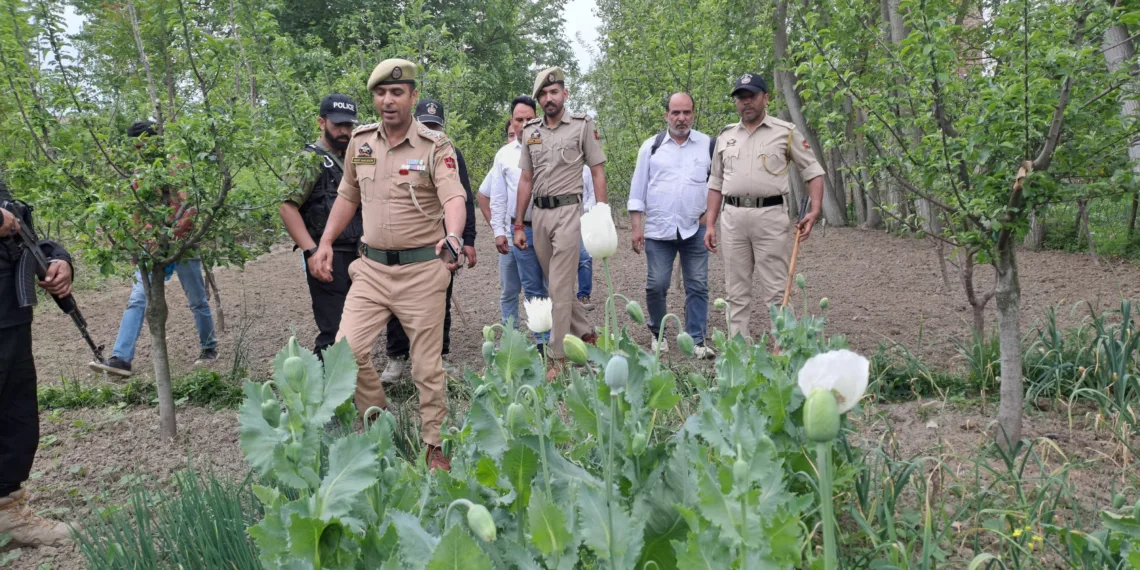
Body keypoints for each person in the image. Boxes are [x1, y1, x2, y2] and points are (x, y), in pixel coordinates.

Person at [309, 59, 467, 471]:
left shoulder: (435, 146)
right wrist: (324, 242)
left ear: (413, 96)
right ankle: (376, 419)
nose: (388, 100)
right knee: (345, 350)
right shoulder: (360, 144)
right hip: (372, 271)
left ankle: (435, 444)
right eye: (380, 93)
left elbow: (454, 198)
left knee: (426, 367)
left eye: (397, 92)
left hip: (421, 271)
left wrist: (453, 236)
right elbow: (347, 197)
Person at [89, 121, 218, 378]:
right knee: (138, 298)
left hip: (183, 246)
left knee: (196, 300)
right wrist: (138, 245)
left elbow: (190, 208)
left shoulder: (176, 168)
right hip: (151, 248)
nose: (138, 150)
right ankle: (121, 359)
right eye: (134, 147)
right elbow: (138, 213)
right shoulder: (137, 175)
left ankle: (209, 347)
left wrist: (173, 236)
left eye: (141, 145)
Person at [704, 73, 824, 340]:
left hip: (770, 217)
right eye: (740, 98)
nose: (746, 103)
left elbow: (813, 171)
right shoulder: (725, 136)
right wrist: (710, 224)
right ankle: (738, 353)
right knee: (735, 291)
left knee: (776, 289)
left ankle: (785, 350)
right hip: (732, 218)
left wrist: (814, 210)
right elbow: (715, 182)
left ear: (765, 97)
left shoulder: (785, 132)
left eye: (752, 96)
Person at [513, 67, 607, 380]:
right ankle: (589, 336)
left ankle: (557, 359)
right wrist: (517, 223)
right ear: (539, 99)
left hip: (569, 212)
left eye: (554, 92)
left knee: (560, 287)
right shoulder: (530, 131)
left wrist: (602, 213)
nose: (549, 98)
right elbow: (526, 179)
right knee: (558, 286)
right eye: (543, 94)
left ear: (564, 94)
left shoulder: (581, 126)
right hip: (538, 217)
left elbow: (597, 170)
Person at [379, 98, 477, 383]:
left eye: (436, 126)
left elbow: (465, 199)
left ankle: (440, 357)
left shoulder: (452, 154)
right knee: (396, 300)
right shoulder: (398, 152)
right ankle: (397, 358)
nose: (431, 131)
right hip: (405, 239)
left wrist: (466, 239)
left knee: (440, 300)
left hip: (442, 242)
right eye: (426, 125)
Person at [0, 181, 74, 547]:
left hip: (10, 319)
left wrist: (58, 258)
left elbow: (22, 230)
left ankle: (7, 514)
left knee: (16, 415)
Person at [628, 92, 715, 358]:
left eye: (686, 112)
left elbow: (718, 185)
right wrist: (636, 227)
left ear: (693, 114)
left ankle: (696, 339)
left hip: (695, 228)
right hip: (658, 229)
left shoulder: (708, 145)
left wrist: (710, 218)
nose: (681, 118)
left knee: (698, 284)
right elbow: (637, 189)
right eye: (675, 113)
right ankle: (658, 334)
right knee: (656, 284)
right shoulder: (651, 147)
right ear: (666, 115)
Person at [279, 94, 362, 357]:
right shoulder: (309, 160)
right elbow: (286, 205)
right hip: (327, 255)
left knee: (356, 328)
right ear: (321, 122)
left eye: (348, 125)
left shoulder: (355, 156)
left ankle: (352, 388)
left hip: (358, 253)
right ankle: (324, 389)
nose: (344, 131)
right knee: (334, 329)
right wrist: (311, 251)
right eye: (337, 125)